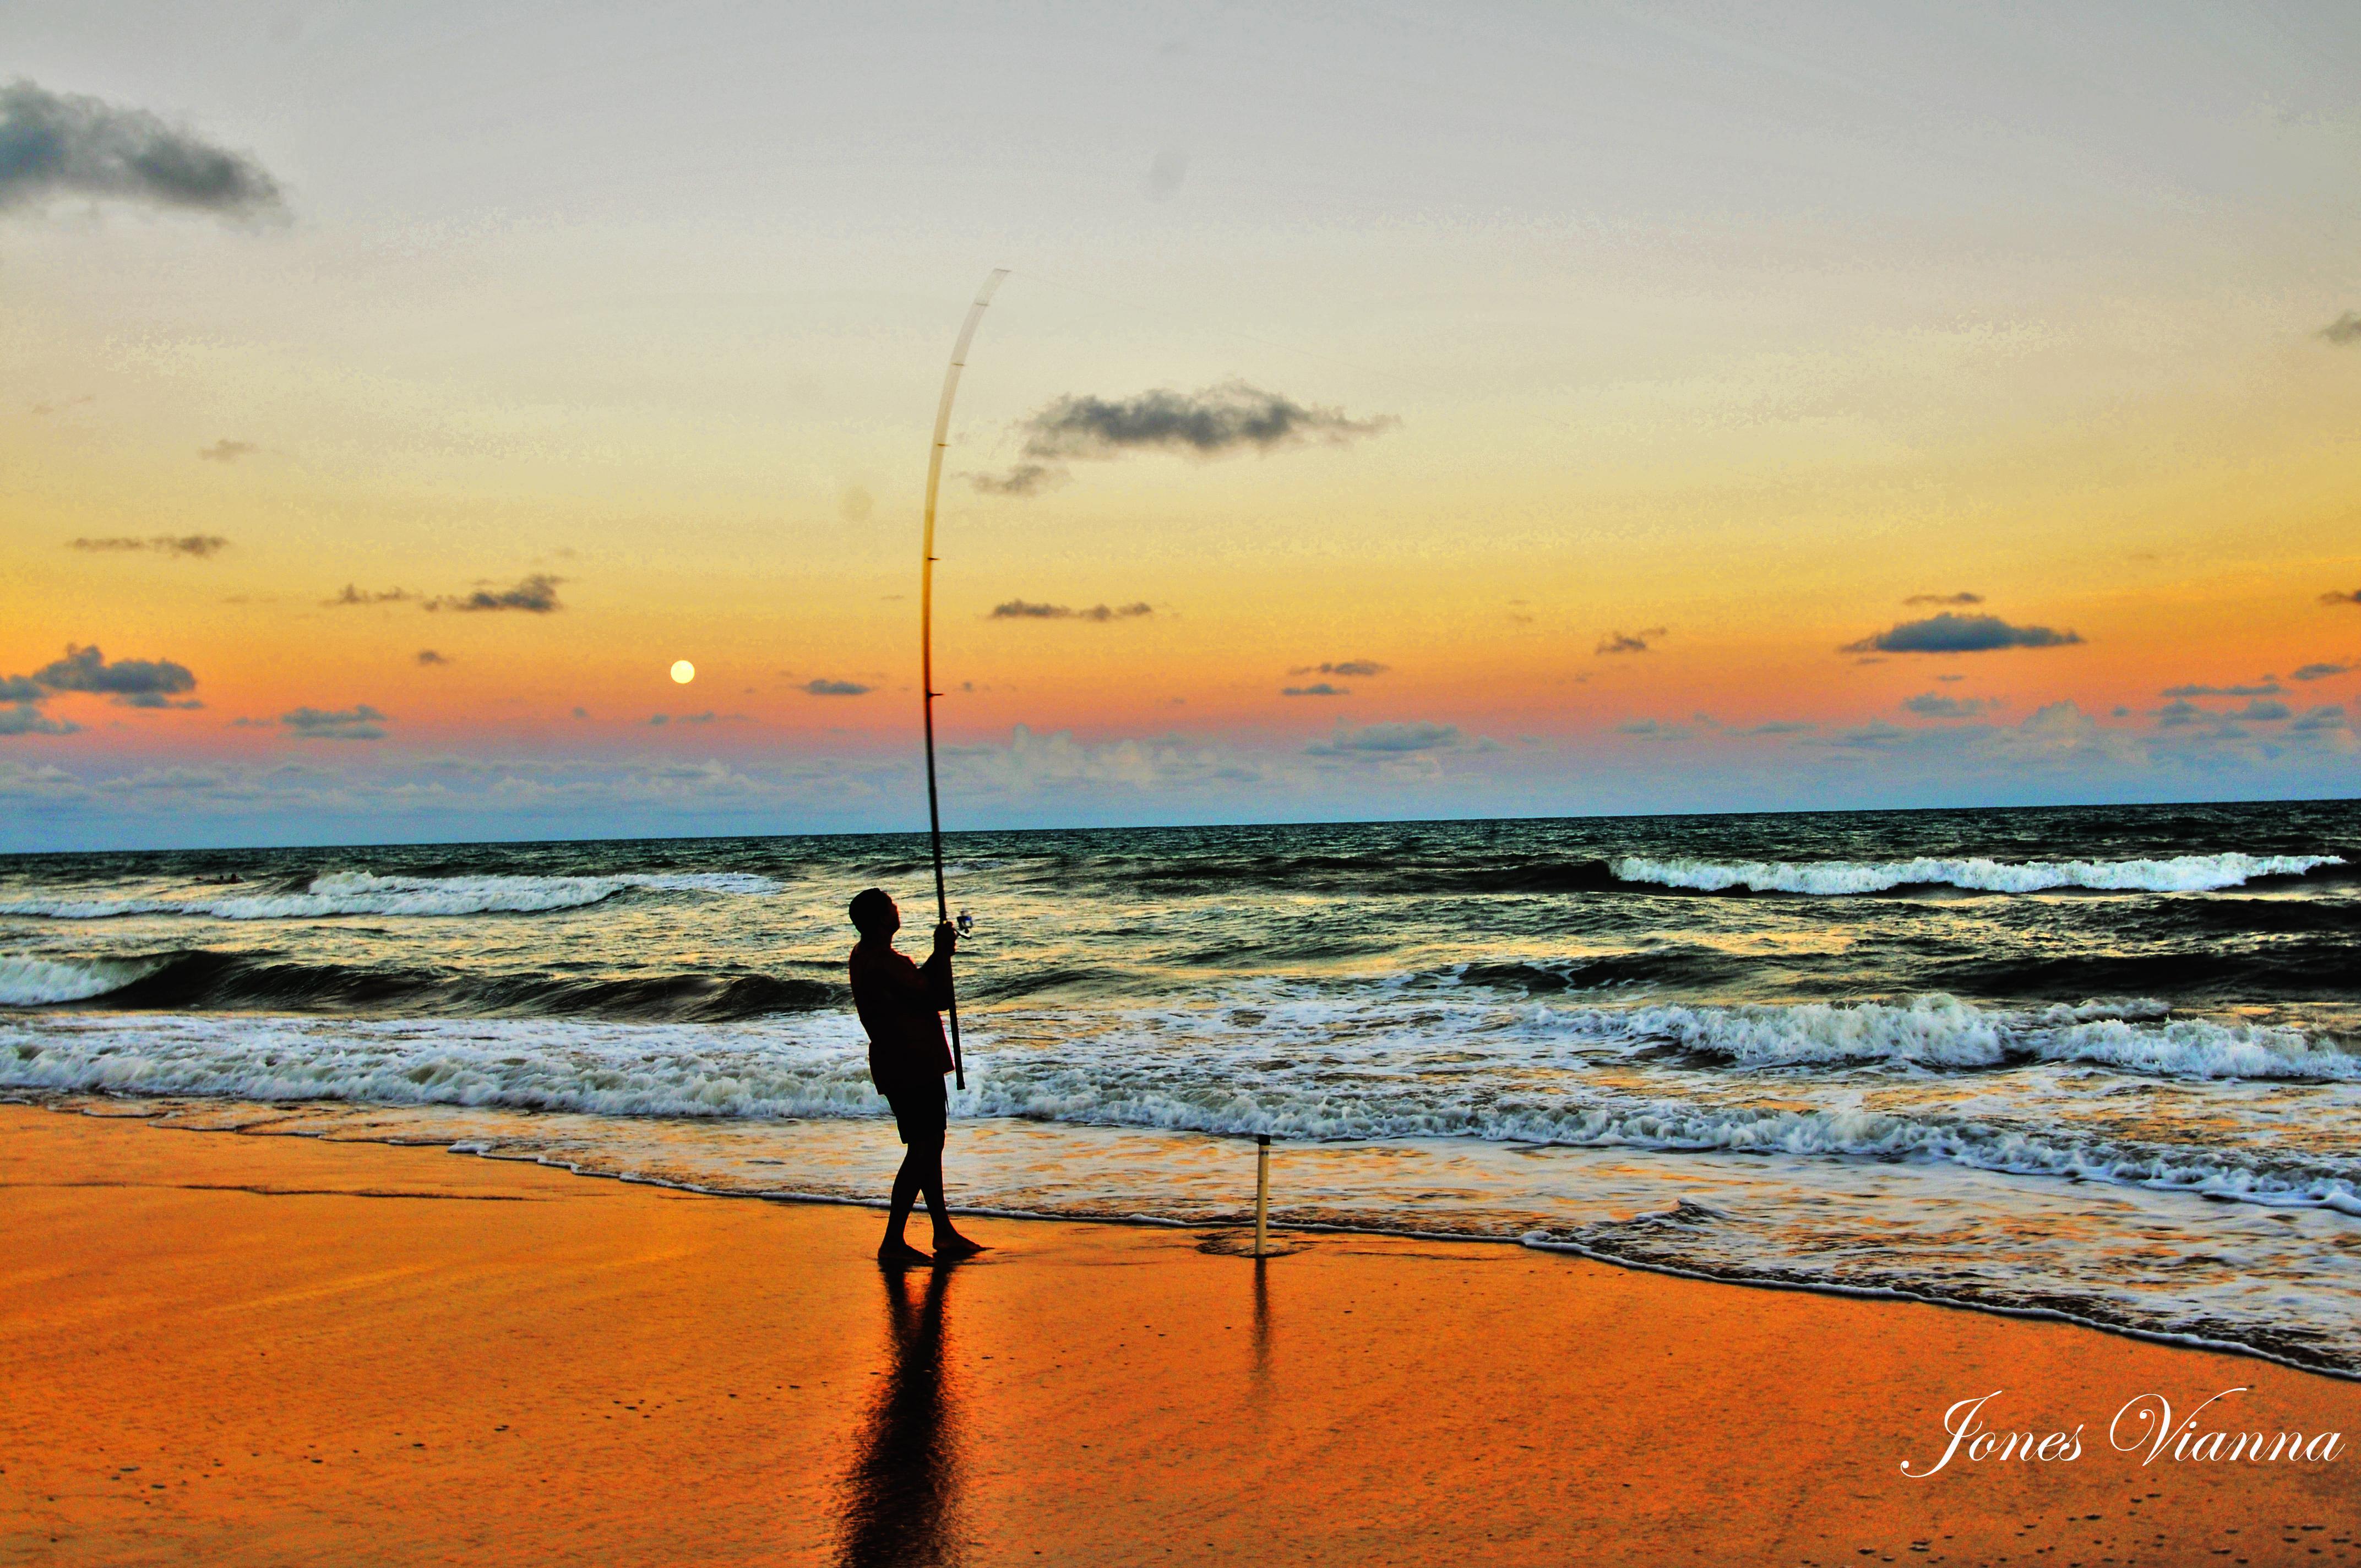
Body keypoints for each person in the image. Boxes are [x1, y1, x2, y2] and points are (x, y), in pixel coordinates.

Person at [847, 888, 986, 1265]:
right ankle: (894, 1240)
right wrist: (942, 953)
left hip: (900, 1060)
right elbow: (935, 996)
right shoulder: (882, 961)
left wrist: (938, 955)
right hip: (910, 1061)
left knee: (929, 1145)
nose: (897, 910)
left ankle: (942, 1231)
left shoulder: (868, 957)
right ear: (880, 920)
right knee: (924, 1148)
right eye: (891, 906)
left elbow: (917, 985)